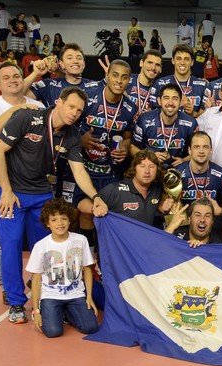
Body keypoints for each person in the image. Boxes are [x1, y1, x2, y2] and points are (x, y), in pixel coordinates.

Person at [0, 86, 108, 324]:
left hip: (41, 191)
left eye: (79, 110)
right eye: (71, 106)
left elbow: (78, 170)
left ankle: (48, 296)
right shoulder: (26, 117)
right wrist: (6, 191)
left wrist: (95, 196)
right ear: (59, 102)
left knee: (49, 248)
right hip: (11, 191)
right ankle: (15, 302)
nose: (74, 113)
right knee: (11, 245)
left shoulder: (73, 134)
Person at [0, 61, 44, 305]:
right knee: (6, 246)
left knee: (41, 242)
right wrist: (15, 111)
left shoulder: (38, 106)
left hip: (34, 186)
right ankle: (8, 288)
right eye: (6, 77)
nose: (13, 80)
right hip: (2, 187)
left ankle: (37, 282)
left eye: (16, 76)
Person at [71, 60, 137, 251]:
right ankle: (87, 260)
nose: (119, 81)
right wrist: (80, 140)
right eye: (115, 75)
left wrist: (124, 148)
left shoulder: (130, 108)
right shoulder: (88, 97)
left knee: (107, 218)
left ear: (128, 82)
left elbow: (127, 137)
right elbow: (68, 128)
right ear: (107, 76)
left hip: (110, 173)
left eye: (124, 77)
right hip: (85, 170)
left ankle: (102, 260)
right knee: (83, 214)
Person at [27, 198, 98, 338]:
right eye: (54, 220)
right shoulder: (41, 246)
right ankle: (56, 311)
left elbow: (88, 269)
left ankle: (66, 312)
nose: (60, 223)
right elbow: (36, 279)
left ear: (69, 220)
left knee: (91, 327)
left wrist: (89, 297)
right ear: (47, 223)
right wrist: (36, 310)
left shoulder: (80, 240)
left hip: (76, 294)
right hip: (51, 296)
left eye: (63, 219)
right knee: (53, 332)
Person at [171, 131, 222, 240]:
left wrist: (221, 210)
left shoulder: (220, 174)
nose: (201, 151)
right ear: (189, 150)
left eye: (205, 147)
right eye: (197, 147)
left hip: (211, 227)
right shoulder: (176, 174)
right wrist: (167, 206)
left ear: (211, 150)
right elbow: (164, 202)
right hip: (183, 226)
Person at [131, 83, 198, 167]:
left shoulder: (191, 123)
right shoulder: (144, 119)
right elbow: (132, 147)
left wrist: (184, 160)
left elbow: (198, 151)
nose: (170, 103)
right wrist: (149, 157)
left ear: (180, 102)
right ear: (159, 101)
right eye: (166, 98)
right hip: (150, 167)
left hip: (177, 172)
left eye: (175, 98)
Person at [99, 150, 173, 225]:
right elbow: (89, 202)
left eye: (151, 166)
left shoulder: (157, 189)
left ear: (157, 170)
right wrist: (96, 208)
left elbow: (160, 205)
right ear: (134, 168)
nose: (147, 171)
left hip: (145, 235)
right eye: (142, 166)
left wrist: (161, 208)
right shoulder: (115, 189)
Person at [27, 43, 99, 106]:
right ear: (61, 64)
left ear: (84, 63)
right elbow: (18, 96)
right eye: (70, 58)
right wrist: (35, 74)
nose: (75, 61)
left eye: (79, 58)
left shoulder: (95, 87)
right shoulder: (49, 85)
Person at [151, 43, 208, 118]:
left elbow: (206, 117)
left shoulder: (203, 86)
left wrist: (193, 113)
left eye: (186, 59)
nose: (182, 62)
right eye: (178, 58)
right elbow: (153, 114)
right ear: (173, 60)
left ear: (192, 62)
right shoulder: (159, 84)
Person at [126, 49, 163, 116]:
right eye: (150, 62)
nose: (153, 67)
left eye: (157, 65)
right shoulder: (126, 79)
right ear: (141, 63)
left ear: (160, 69)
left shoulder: (161, 91)